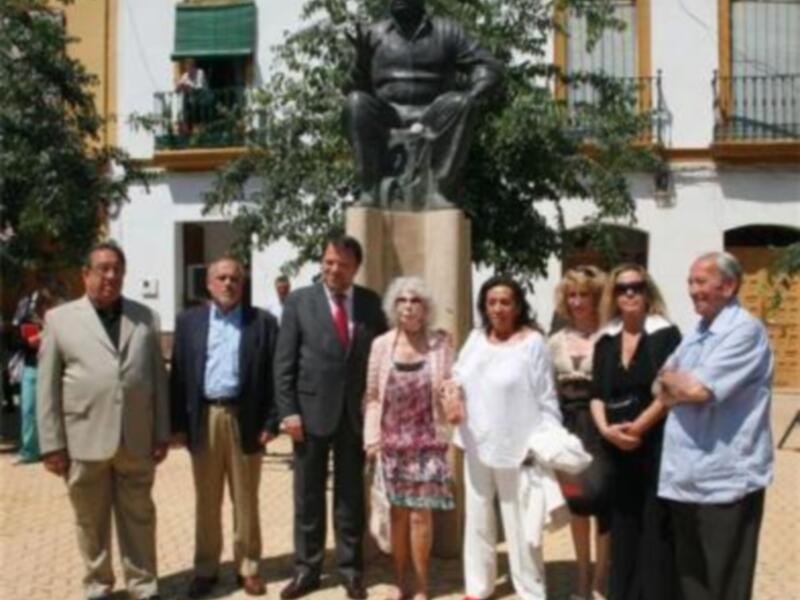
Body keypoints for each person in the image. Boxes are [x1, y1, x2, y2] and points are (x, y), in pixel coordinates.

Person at [36, 241, 169, 600]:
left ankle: (143, 585)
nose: (111, 276)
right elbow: (46, 388)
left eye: (117, 269)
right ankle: (98, 585)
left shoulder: (146, 317)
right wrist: (51, 445)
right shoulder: (59, 320)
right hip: (83, 440)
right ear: (85, 274)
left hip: (135, 439)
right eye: (103, 269)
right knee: (90, 522)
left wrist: (161, 432)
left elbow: (157, 379)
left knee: (140, 517)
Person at [274, 234, 388, 600]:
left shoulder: (371, 304)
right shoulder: (299, 302)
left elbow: (383, 356)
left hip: (354, 417)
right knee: (307, 497)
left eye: (342, 264)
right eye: (328, 261)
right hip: (308, 416)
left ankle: (351, 571)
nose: (333, 269)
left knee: (350, 497)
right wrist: (288, 410)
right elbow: (283, 363)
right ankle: (307, 570)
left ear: (356, 267)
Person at [656, 252, 773, 600]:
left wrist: (677, 384)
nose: (692, 290)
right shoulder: (697, 333)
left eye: (700, 281)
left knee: (725, 582)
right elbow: (658, 384)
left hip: (726, 479)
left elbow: (697, 389)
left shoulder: (744, 330)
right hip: (686, 476)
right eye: (690, 281)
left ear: (729, 285)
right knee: (692, 579)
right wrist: (676, 385)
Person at [170, 256, 280, 598]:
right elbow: (179, 376)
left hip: (245, 419)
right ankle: (205, 569)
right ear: (208, 283)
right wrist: (178, 425)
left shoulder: (261, 322)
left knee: (246, 499)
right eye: (221, 277)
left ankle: (248, 567)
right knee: (207, 499)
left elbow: (276, 377)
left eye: (234, 278)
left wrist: (272, 422)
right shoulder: (189, 322)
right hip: (204, 418)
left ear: (242, 284)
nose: (228, 283)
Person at [453, 275, 562, 600]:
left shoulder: (533, 343)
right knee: (477, 520)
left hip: (519, 448)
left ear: (517, 307)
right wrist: (450, 391)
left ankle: (530, 589)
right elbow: (457, 375)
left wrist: (547, 441)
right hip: (475, 443)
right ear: (484, 306)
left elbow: (547, 397)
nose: (498, 308)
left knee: (520, 523)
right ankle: (478, 586)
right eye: (492, 302)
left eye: (505, 302)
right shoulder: (475, 338)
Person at [343, 0, 502, 206]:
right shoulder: (373, 34)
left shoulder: (447, 31)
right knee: (356, 103)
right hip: (387, 116)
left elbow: (489, 67)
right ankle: (369, 189)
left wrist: (474, 93)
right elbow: (350, 89)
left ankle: (439, 190)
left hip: (432, 115)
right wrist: (361, 59)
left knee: (462, 103)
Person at [589, 264, 681, 600]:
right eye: (622, 288)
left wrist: (638, 427)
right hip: (615, 446)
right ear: (612, 295)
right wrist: (606, 430)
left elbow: (670, 391)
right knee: (622, 525)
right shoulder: (606, 339)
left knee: (655, 526)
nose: (629, 293)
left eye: (636, 287)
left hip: (655, 443)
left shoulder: (666, 335)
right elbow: (596, 393)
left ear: (648, 292)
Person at [363, 276, 456, 600]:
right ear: (393, 306)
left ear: (425, 307)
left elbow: (449, 384)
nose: (408, 306)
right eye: (402, 300)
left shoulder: (440, 344)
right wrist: (372, 438)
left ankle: (421, 586)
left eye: (415, 300)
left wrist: (453, 398)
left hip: (428, 442)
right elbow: (373, 396)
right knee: (398, 515)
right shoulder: (381, 345)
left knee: (421, 516)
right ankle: (401, 581)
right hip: (391, 444)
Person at [548, 266, 610, 600]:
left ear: (597, 297)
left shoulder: (610, 336)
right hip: (567, 429)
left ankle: (601, 580)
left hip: (600, 427)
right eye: (571, 295)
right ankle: (582, 580)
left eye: (584, 294)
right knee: (576, 503)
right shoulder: (555, 341)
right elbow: (548, 390)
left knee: (602, 502)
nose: (577, 301)